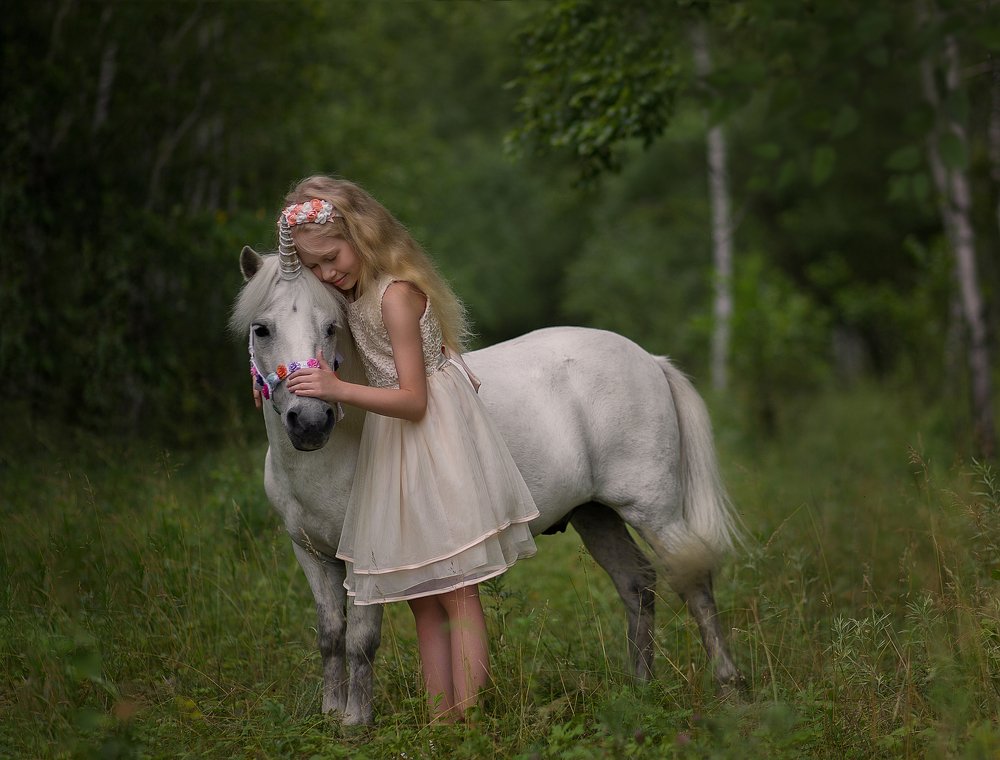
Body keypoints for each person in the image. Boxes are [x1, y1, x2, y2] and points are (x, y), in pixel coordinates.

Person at [278, 175, 538, 722]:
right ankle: (442, 718)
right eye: (315, 266)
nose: (328, 273)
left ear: (363, 234)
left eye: (333, 257)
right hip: (392, 442)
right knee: (421, 593)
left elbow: (415, 399)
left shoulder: (396, 295)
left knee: (457, 591)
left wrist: (335, 389)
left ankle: (467, 718)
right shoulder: (346, 299)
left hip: (431, 437)